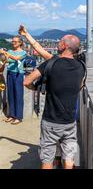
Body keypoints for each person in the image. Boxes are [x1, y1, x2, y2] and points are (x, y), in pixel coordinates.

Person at [23, 26, 85, 170]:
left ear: (64, 45)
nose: (57, 43)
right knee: (69, 159)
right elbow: (81, 85)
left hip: (51, 120)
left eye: (59, 42)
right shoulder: (81, 66)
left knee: (47, 159)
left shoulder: (51, 64)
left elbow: (26, 82)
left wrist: (37, 88)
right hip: (70, 121)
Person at [0, 36, 27, 125]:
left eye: (15, 41)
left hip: (18, 74)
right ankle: (12, 115)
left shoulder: (23, 52)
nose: (13, 43)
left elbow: (16, 59)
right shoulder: (10, 51)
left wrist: (6, 53)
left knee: (18, 95)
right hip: (10, 73)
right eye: (12, 41)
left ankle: (18, 117)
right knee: (10, 95)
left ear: (20, 43)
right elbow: (6, 61)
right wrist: (3, 61)